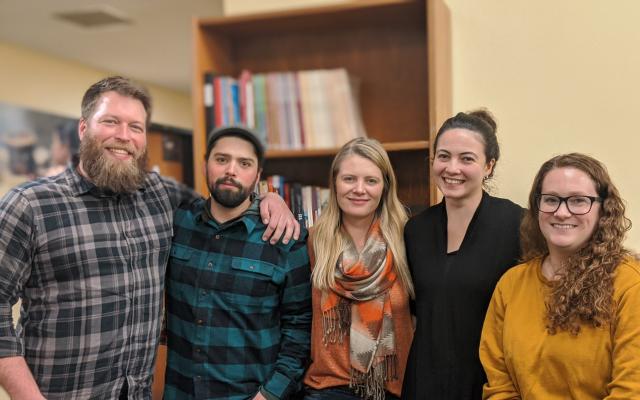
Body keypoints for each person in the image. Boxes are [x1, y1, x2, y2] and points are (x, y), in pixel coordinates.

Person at [0, 76, 297, 400]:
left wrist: (269, 199)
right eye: (110, 122)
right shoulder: (30, 205)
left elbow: (222, 202)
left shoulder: (161, 196)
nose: (123, 136)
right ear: (83, 128)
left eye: (136, 127)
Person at [164, 126, 312, 400]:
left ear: (257, 176)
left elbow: (300, 328)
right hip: (180, 391)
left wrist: (270, 394)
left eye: (244, 163)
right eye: (221, 159)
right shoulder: (176, 222)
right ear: (205, 165)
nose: (231, 170)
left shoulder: (285, 238)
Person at [480, 153, 640, 399]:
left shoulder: (630, 284)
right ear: (537, 206)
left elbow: (631, 391)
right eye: (551, 199)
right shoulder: (511, 284)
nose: (562, 212)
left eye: (578, 201)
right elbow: (499, 386)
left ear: (603, 209)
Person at [402, 110, 523, 399]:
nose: (452, 168)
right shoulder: (415, 229)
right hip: (424, 383)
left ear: (489, 166)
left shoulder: (519, 225)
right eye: (443, 156)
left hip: (491, 385)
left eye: (467, 158)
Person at [302, 138, 414, 400]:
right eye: (349, 179)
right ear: (335, 183)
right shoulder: (312, 242)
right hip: (327, 390)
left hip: (392, 390)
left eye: (371, 181)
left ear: (385, 186)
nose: (359, 189)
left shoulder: (407, 240)